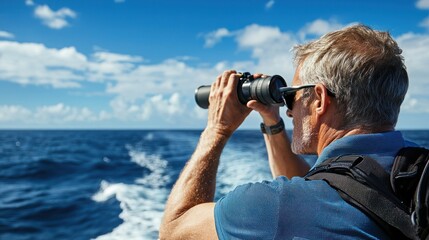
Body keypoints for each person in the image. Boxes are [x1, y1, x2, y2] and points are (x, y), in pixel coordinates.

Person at [159, 24, 417, 239]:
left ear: (319, 99)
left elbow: (174, 231)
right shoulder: (414, 173)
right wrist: (271, 122)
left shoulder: (274, 206)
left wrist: (217, 129)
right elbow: (322, 186)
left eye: (291, 97)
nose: (289, 111)